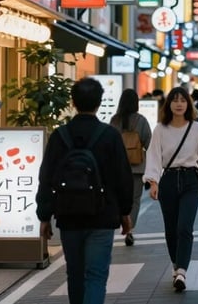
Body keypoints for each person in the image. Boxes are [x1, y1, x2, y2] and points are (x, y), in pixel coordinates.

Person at [36, 77, 133, 304]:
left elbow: (46, 177)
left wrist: (44, 215)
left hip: (69, 216)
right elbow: (123, 178)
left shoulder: (60, 136)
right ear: (99, 102)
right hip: (103, 215)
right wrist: (125, 213)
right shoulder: (110, 135)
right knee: (96, 276)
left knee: (75, 275)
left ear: (73, 101)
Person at [143, 87, 198, 292]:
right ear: (169, 105)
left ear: (189, 104)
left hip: (191, 179)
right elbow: (154, 156)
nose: (179, 103)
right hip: (169, 180)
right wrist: (153, 182)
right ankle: (176, 264)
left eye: (183, 100)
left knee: (185, 226)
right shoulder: (160, 129)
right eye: (174, 100)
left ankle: (181, 270)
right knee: (171, 228)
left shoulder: (197, 128)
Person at [109, 88, 152, 246]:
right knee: (134, 200)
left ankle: (121, 222)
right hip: (137, 167)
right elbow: (149, 143)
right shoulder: (141, 120)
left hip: (117, 168)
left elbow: (109, 144)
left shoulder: (114, 121)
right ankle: (130, 229)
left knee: (118, 198)